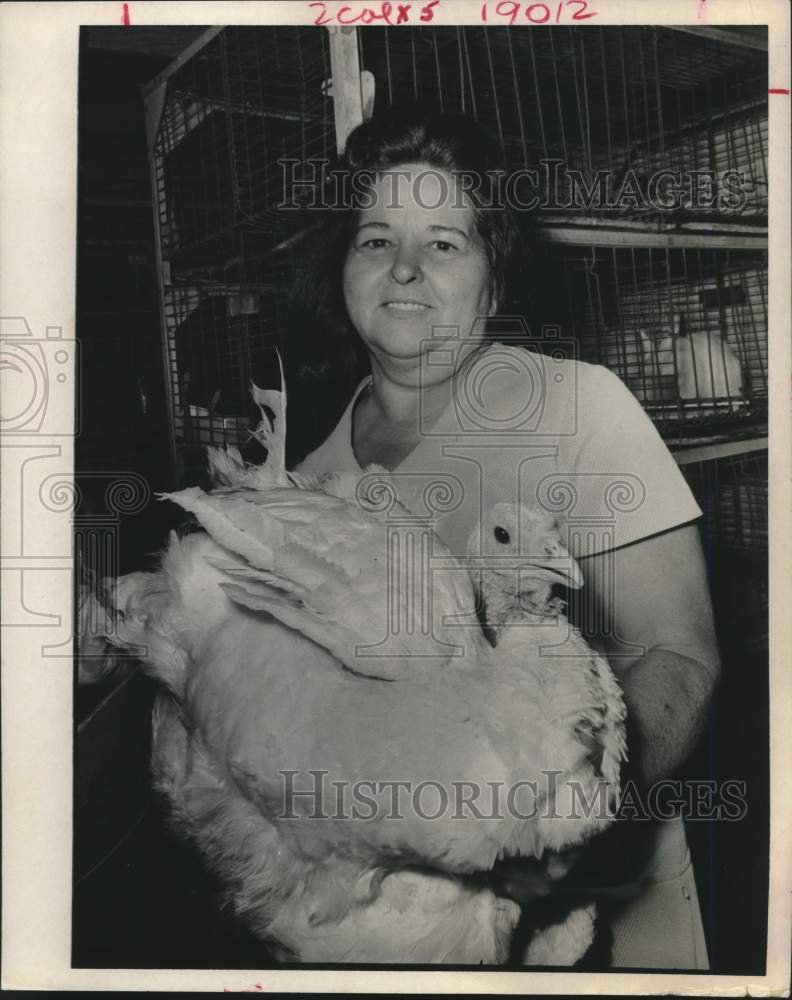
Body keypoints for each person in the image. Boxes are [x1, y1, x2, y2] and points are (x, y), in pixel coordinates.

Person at [292, 109, 719, 970]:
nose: (405, 267)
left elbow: (681, 652)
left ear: (492, 283)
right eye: (376, 239)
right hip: (379, 930)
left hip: (587, 917)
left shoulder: (578, 406)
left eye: (445, 243)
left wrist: (568, 823)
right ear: (343, 269)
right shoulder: (305, 481)